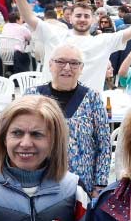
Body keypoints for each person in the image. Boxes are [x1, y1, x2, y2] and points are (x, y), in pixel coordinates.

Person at [9, 0, 131, 92]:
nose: (82, 19)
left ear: (93, 19)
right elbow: (29, 17)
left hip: (87, 107)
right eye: (78, 15)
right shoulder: (55, 33)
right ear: (69, 18)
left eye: (86, 16)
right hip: (52, 103)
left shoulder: (102, 41)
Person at [31, 44, 110, 194]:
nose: (67, 68)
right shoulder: (33, 95)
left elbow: (104, 144)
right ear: (50, 64)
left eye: (74, 63)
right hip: (39, 182)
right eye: (60, 62)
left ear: (81, 68)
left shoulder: (92, 98)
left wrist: (100, 184)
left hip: (81, 186)